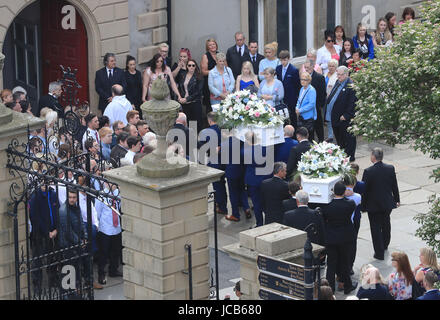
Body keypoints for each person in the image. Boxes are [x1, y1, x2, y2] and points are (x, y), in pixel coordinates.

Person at [361, 148, 400, 260]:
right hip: (387, 203)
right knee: (386, 223)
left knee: (375, 228)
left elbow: (365, 190)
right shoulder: (390, 168)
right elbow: (394, 185)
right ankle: (385, 244)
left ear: (373, 156)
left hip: (373, 205)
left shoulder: (368, 171)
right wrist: (397, 199)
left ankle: (379, 252)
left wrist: (363, 206)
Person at [322, 181, 358, 294]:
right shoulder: (350, 204)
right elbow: (350, 201)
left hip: (331, 238)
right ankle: (347, 286)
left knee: (331, 264)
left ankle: (330, 289)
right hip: (345, 238)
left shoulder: (327, 206)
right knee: (344, 262)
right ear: (343, 192)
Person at [29, 183, 59, 288]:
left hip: (53, 232)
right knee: (38, 260)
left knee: (53, 257)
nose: (44, 183)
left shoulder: (53, 194)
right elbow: (35, 218)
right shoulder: (35, 197)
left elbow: (57, 211)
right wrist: (47, 232)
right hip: (40, 234)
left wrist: (56, 229)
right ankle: (37, 284)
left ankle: (53, 280)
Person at [199, 112, 228, 216]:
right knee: (223, 183)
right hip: (226, 160)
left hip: (214, 160)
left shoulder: (206, 132)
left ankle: (222, 207)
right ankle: (224, 204)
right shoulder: (225, 130)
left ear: (209, 120)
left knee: (218, 185)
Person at [327, 66, 357, 162]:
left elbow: (352, 103)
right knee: (339, 139)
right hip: (335, 117)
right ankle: (342, 155)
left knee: (348, 139)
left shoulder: (350, 86)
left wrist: (346, 115)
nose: (338, 76)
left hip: (344, 118)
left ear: (346, 74)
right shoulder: (338, 81)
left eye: (341, 75)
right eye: (338, 74)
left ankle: (349, 158)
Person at [242, 132, 270, 227]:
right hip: (264, 178)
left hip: (252, 180)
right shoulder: (264, 148)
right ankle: (268, 222)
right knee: (266, 202)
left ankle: (259, 223)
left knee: (256, 203)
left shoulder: (245, 151)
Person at [96, 186, 122, 285]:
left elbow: (119, 207)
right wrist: (99, 224)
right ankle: (101, 273)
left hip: (116, 227)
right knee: (103, 252)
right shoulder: (101, 194)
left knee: (115, 250)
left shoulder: (117, 193)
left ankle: (113, 270)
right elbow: (98, 211)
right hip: (105, 228)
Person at [222, 135, 251, 222]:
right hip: (242, 170)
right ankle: (246, 208)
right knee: (242, 190)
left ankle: (235, 214)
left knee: (233, 192)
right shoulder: (243, 142)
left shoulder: (226, 143)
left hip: (231, 171)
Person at [176, 59, 204, 133]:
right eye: (189, 65)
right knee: (186, 122)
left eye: (193, 65)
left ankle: (195, 139)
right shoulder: (182, 75)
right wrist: (180, 97)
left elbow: (198, 92)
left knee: (195, 123)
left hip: (194, 102)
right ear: (187, 66)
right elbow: (179, 87)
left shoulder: (199, 77)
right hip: (184, 103)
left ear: (195, 67)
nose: (191, 67)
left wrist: (187, 99)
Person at [276, 50, 301, 126]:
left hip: (291, 96)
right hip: (281, 96)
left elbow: (297, 85)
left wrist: (295, 97)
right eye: (281, 60)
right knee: (282, 114)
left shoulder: (294, 70)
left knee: (292, 115)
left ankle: (293, 132)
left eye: (285, 60)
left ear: (288, 59)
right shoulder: (278, 68)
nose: (283, 62)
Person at [343, 174, 362, 274]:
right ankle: (350, 266)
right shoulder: (357, 197)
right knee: (352, 245)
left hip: (342, 225)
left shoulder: (339, 195)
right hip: (352, 223)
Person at [304, 60, 326, 142]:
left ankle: (321, 142)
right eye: (305, 67)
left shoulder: (319, 77)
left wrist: (319, 106)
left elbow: (323, 93)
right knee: (309, 128)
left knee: (318, 127)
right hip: (306, 108)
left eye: (308, 67)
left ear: (313, 67)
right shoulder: (303, 77)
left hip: (316, 107)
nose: (306, 69)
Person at [295, 71, 316, 139]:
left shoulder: (311, 90)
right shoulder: (302, 88)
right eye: (301, 79)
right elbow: (299, 100)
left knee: (309, 136)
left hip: (308, 117)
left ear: (309, 80)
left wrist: (300, 110)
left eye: (305, 80)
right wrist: (297, 107)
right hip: (301, 116)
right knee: (302, 135)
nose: (302, 81)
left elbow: (311, 104)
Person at [201, 38, 219, 114]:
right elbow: (203, 72)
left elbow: (226, 68)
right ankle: (210, 124)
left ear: (216, 45)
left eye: (213, 44)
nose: (212, 46)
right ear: (207, 47)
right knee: (210, 108)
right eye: (210, 45)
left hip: (220, 85)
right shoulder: (205, 56)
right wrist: (215, 72)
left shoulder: (220, 55)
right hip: (209, 85)